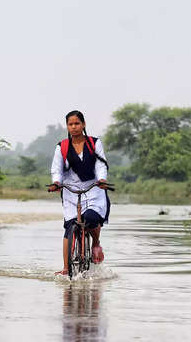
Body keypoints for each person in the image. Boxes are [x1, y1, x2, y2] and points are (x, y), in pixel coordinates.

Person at [49, 110, 110, 276]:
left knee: (91, 217)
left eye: (77, 123)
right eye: (70, 124)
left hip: (93, 187)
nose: (74, 127)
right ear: (67, 127)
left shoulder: (94, 143)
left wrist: (102, 180)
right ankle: (66, 268)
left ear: (83, 125)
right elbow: (57, 169)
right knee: (69, 227)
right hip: (70, 189)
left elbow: (100, 165)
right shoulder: (62, 147)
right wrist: (56, 183)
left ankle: (96, 243)